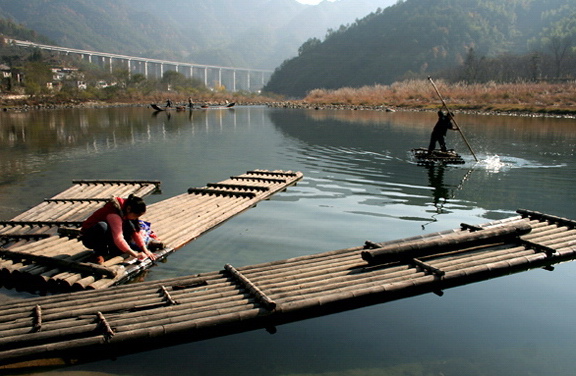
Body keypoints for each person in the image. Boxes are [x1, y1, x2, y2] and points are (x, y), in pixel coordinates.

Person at [81, 194, 158, 264]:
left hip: (108, 234)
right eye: (136, 215)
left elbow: (135, 232)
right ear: (128, 209)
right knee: (102, 226)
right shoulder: (114, 214)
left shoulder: (125, 211)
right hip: (90, 238)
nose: (136, 218)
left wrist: (145, 250)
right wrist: (135, 254)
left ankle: (113, 251)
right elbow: (119, 238)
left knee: (129, 225)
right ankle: (100, 253)